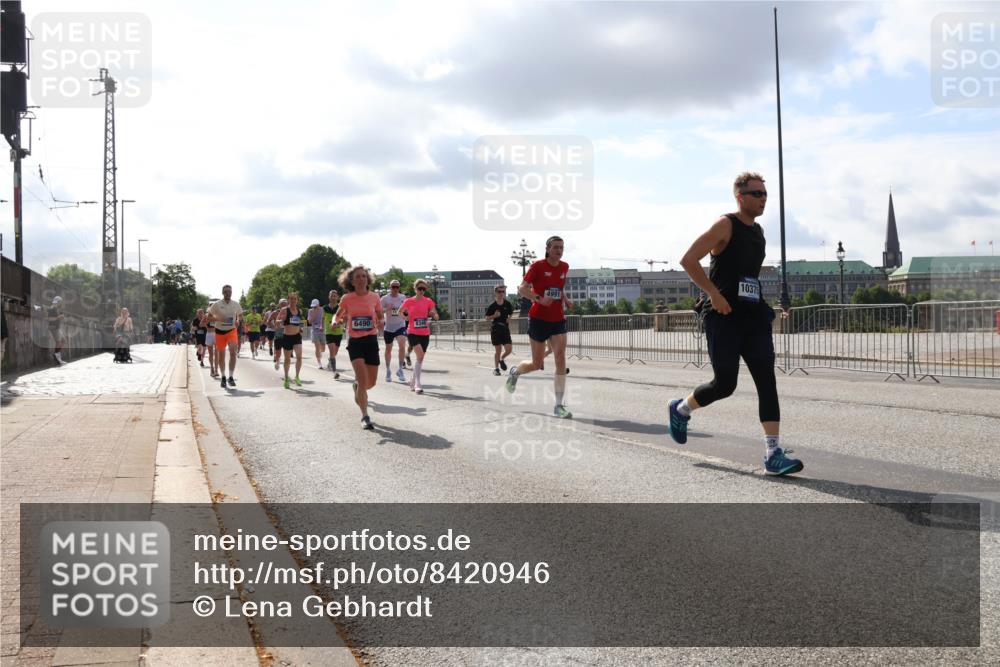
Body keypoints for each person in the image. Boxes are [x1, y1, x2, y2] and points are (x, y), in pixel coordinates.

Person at [668, 171, 802, 476]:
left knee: (767, 381)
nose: (763, 198)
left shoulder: (759, 232)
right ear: (740, 197)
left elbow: (748, 278)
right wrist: (713, 295)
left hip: (753, 318)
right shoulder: (725, 224)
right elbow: (688, 259)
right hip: (724, 318)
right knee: (725, 384)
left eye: (765, 194)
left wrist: (767, 307)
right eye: (757, 194)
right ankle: (681, 409)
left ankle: (772, 453)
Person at [505, 236, 573, 418]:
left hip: (557, 319)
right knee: (537, 363)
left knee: (560, 358)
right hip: (538, 319)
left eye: (562, 247)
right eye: (556, 247)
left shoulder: (564, 267)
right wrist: (539, 299)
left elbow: (559, 287)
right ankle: (515, 372)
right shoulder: (537, 266)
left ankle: (559, 405)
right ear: (548, 248)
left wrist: (565, 299)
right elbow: (522, 288)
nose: (559, 250)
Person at [336, 265, 384, 430]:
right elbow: (339, 314)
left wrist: (381, 320)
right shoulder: (347, 298)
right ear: (352, 281)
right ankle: (365, 415)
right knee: (363, 381)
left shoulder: (374, 297)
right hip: (355, 342)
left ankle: (357, 387)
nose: (361, 279)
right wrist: (336, 321)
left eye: (364, 276)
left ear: (368, 279)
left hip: (371, 341)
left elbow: (379, 313)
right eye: (357, 277)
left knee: (371, 382)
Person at [400, 279, 440, 394]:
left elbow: (435, 314)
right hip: (412, 332)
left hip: (425, 333)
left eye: (424, 289)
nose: (422, 291)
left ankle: (412, 380)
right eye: (420, 289)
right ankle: (418, 383)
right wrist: (405, 317)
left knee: (420, 358)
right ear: (415, 289)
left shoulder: (428, 301)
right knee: (420, 356)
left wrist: (434, 315)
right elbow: (400, 311)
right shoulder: (408, 301)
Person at [208, 284, 243, 389]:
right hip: (219, 332)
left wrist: (237, 320)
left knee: (233, 352)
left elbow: (240, 315)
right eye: (226, 291)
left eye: (230, 291)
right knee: (221, 355)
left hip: (232, 331)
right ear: (223, 293)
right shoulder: (216, 304)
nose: (229, 293)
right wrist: (219, 319)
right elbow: (208, 318)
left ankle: (231, 377)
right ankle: (223, 376)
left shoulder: (235, 304)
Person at [274, 293, 305, 388]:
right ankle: (287, 378)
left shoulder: (299, 311)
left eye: (295, 299)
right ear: (288, 300)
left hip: (297, 337)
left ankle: (297, 377)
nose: (293, 301)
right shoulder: (284, 310)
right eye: (291, 299)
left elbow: (299, 322)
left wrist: (301, 328)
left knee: (299, 357)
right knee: (287, 359)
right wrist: (281, 322)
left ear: (297, 300)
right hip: (287, 337)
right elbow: (276, 322)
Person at [380, 280, 408, 383]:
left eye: (397, 287)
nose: (395, 289)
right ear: (390, 287)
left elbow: (406, 310)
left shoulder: (403, 298)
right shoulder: (384, 298)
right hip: (389, 327)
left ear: (399, 287)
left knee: (402, 344)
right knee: (388, 349)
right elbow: (378, 311)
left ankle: (400, 369)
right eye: (393, 287)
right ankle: (388, 370)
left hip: (400, 325)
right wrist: (387, 308)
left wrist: (405, 313)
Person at [485, 285, 514, 375]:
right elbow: (486, 318)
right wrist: (494, 316)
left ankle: (501, 359)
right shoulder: (492, 305)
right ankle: (496, 369)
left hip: (505, 329)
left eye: (503, 292)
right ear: (495, 293)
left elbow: (511, 313)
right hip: (496, 329)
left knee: (509, 349)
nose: (501, 293)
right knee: (498, 349)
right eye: (499, 292)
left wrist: (509, 318)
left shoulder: (507, 304)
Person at [322, 290, 344, 379]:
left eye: (335, 296)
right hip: (329, 332)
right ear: (329, 297)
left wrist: (338, 324)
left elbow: (343, 319)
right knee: (331, 350)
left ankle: (330, 361)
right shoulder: (325, 308)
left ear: (337, 297)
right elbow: (323, 318)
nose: (333, 297)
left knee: (335, 352)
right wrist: (322, 327)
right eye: (332, 296)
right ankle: (335, 372)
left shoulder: (340, 307)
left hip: (338, 332)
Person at [47, 296, 66, 365]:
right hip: (53, 327)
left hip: (57, 327)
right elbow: (49, 319)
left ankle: (57, 355)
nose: (61, 304)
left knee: (63, 340)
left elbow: (60, 317)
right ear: (58, 302)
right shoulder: (52, 308)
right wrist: (58, 317)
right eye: (60, 302)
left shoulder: (58, 309)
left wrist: (61, 316)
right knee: (58, 342)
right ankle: (57, 357)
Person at [307, 298, 326, 370]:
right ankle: (319, 363)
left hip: (322, 330)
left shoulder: (322, 309)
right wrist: (314, 314)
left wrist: (322, 326)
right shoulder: (310, 311)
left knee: (323, 349)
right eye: (313, 306)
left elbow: (323, 319)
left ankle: (320, 353)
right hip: (314, 331)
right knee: (317, 346)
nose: (314, 307)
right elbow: (309, 322)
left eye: (315, 306)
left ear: (318, 305)